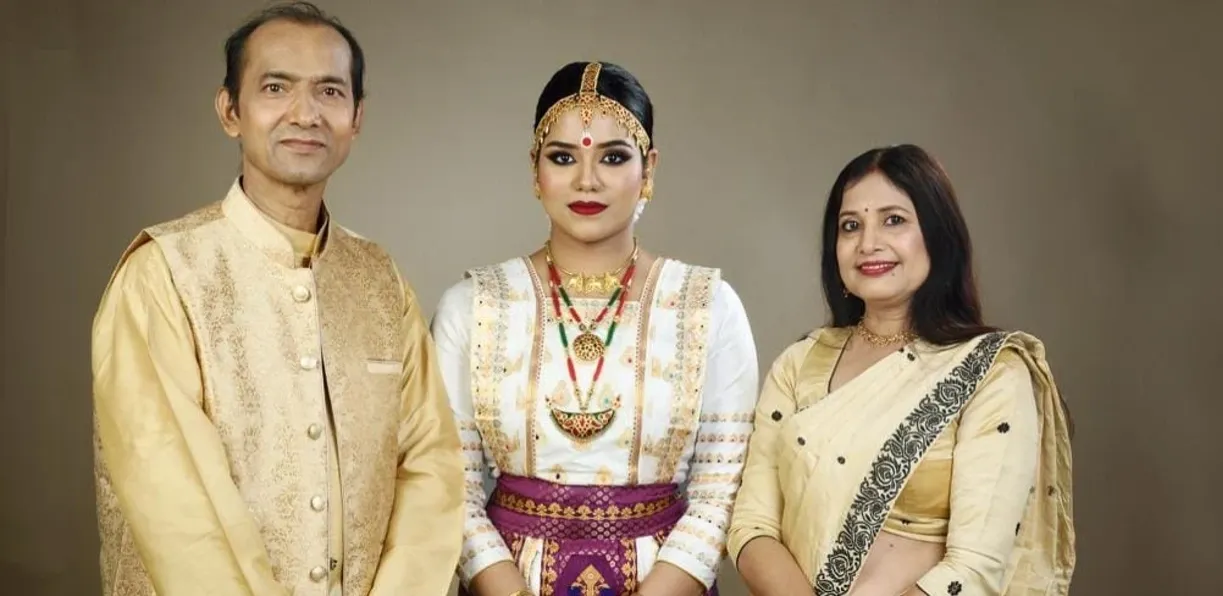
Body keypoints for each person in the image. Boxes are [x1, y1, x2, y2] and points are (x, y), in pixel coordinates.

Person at [90, 2, 464, 594]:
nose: (305, 113)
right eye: (275, 87)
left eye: (330, 92)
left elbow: (431, 470)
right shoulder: (164, 273)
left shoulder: (380, 280)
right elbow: (176, 511)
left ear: (357, 116)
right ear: (230, 111)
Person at [430, 61, 759, 596]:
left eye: (613, 156)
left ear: (648, 168)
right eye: (563, 157)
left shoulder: (708, 305)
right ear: (535, 169)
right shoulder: (472, 305)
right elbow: (453, 488)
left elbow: (720, 491)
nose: (587, 180)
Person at [727, 144, 1076, 596]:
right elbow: (751, 525)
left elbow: (975, 567)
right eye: (851, 226)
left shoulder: (991, 373)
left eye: (894, 220)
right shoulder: (801, 364)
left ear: (937, 234)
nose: (869, 243)